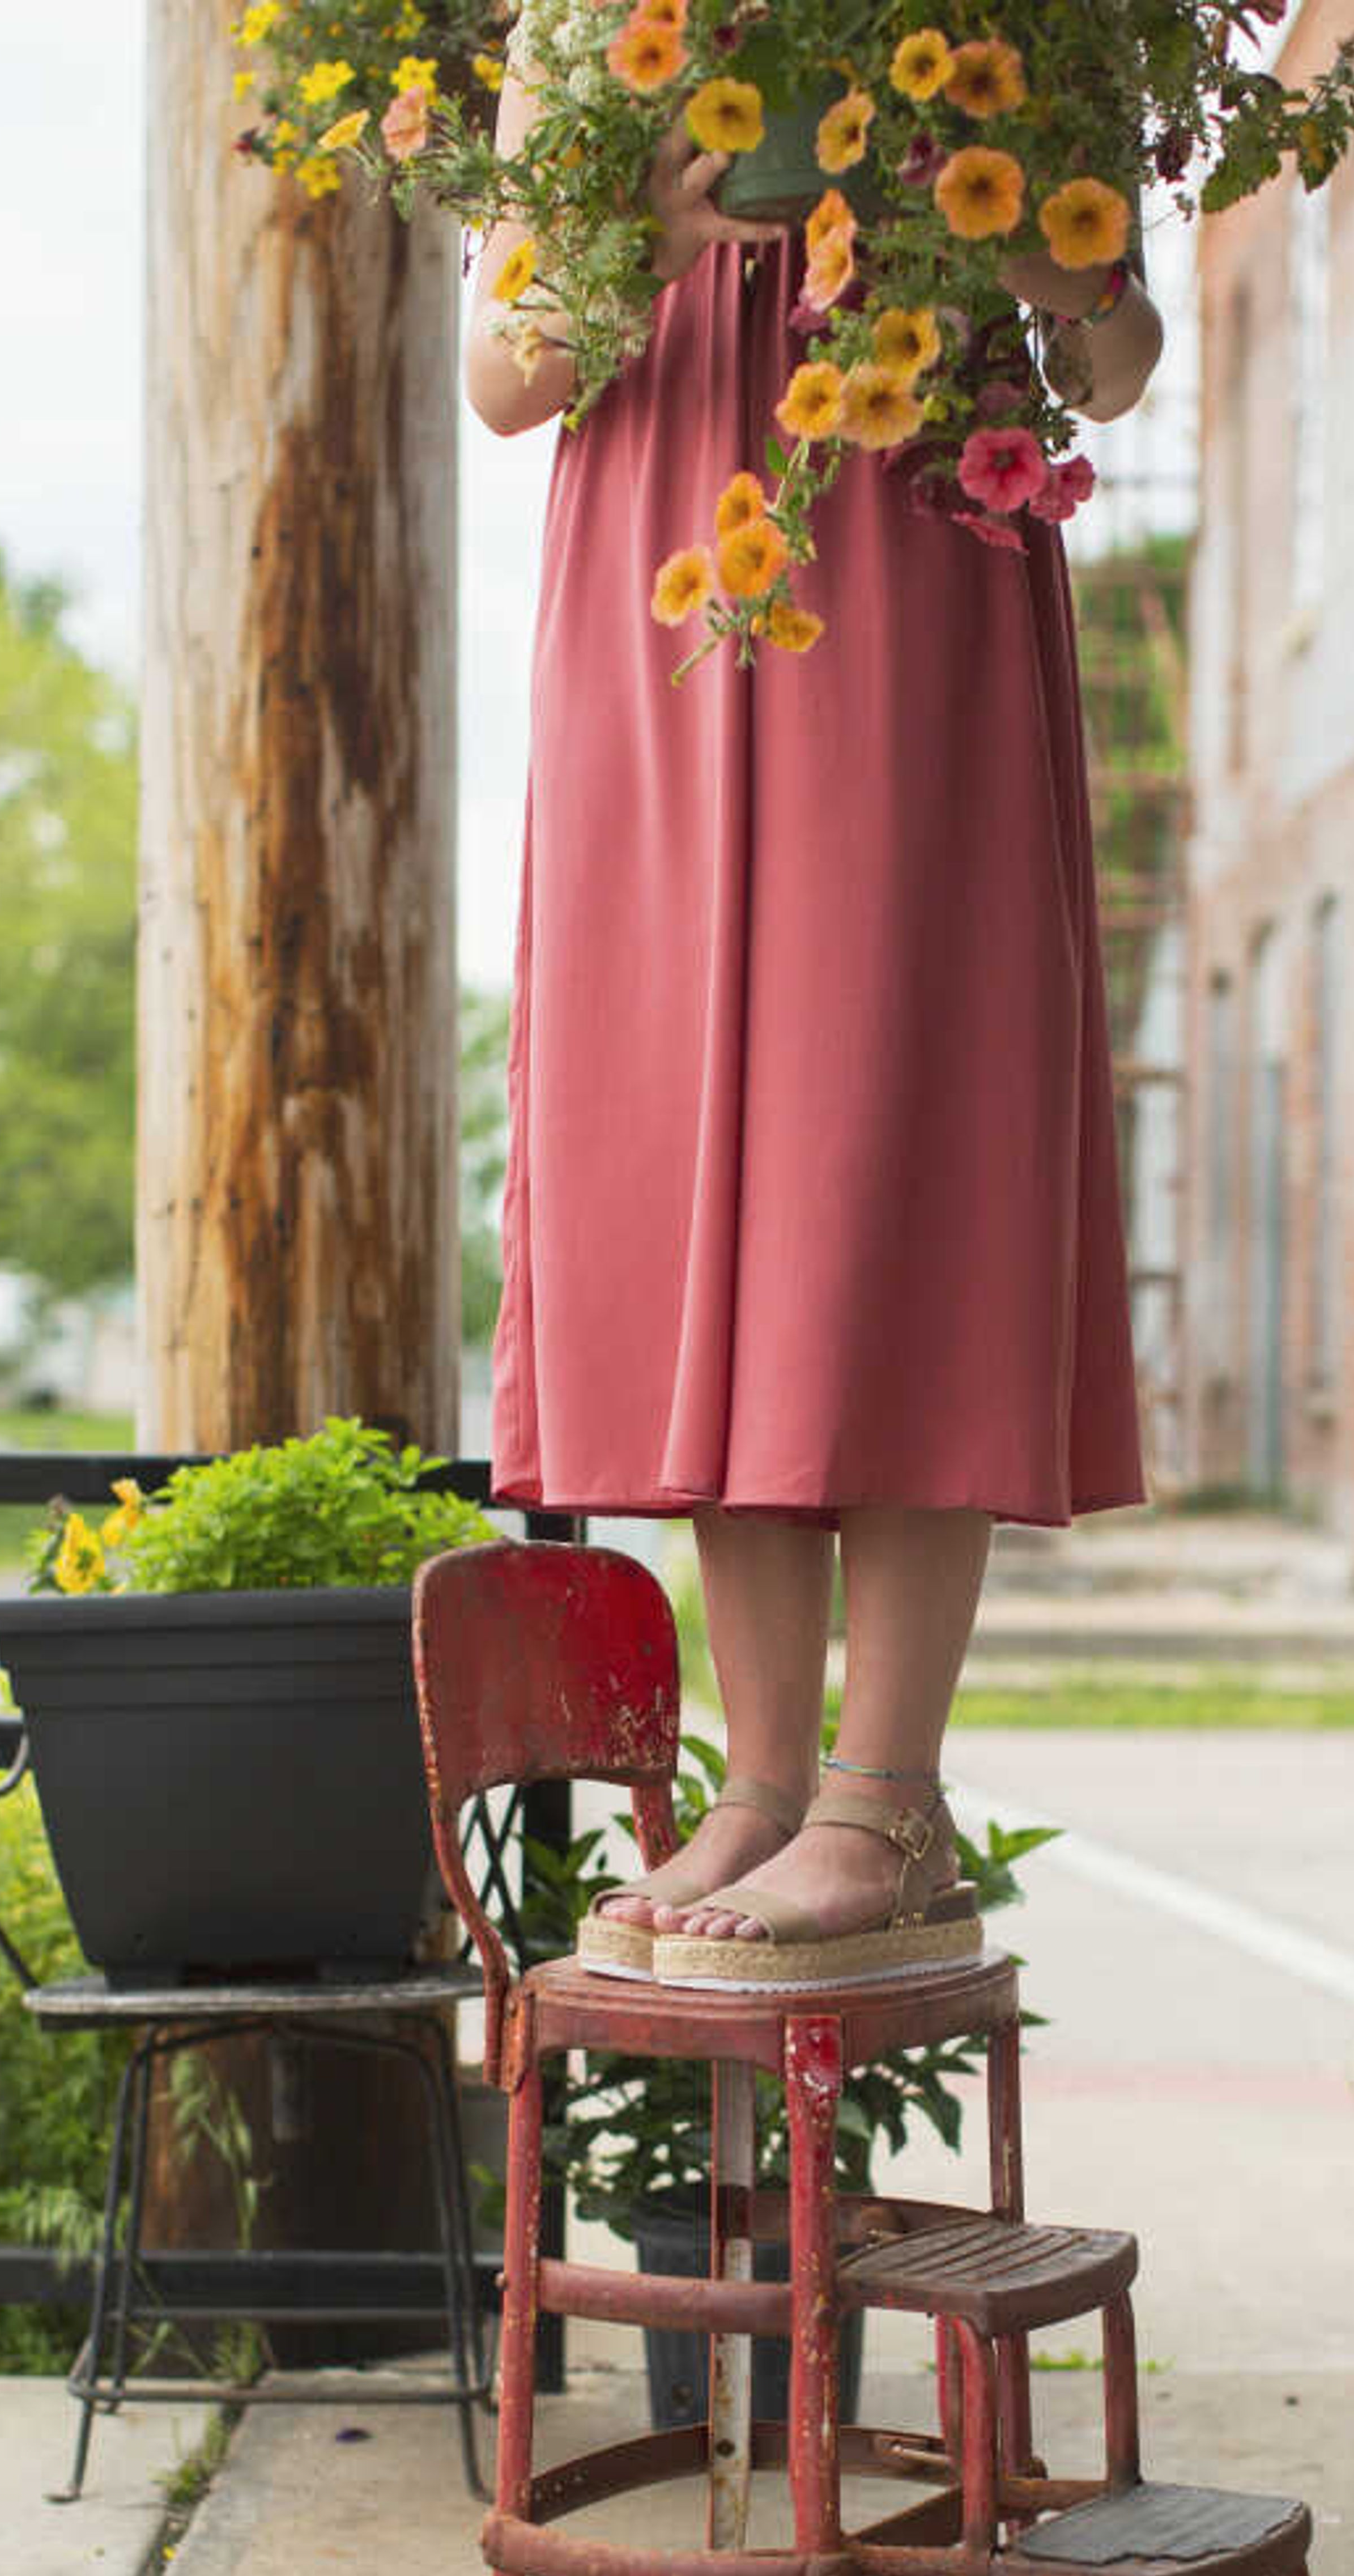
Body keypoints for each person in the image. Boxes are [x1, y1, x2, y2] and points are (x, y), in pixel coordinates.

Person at [466, 69, 1164, 1988]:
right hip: (660, 566)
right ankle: (767, 1786)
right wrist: (653, 238)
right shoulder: (595, 26)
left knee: (899, 1114)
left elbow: (1116, 364)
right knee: (693, 1139)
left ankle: (887, 1793)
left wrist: (1035, 240)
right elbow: (503, 372)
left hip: (904, 529)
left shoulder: (999, 23)